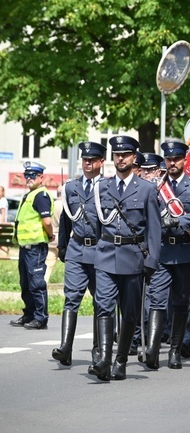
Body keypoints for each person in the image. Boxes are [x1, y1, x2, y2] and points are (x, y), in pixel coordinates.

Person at [88, 135, 161, 381]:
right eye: (117, 154)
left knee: (129, 313)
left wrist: (152, 261)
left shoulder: (147, 189)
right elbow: (98, 225)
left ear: (133, 158)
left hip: (133, 258)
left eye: (125, 154)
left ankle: (121, 360)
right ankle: (104, 361)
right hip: (107, 256)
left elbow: (154, 229)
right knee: (104, 307)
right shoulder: (102, 187)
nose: (120, 158)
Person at [142, 140, 190, 370]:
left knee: (181, 303)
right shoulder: (156, 186)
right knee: (157, 300)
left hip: (185, 251)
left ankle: (175, 351)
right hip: (162, 251)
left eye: (176, 159)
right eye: (168, 160)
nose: (172, 163)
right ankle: (152, 349)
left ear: (184, 160)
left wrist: (181, 220)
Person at [53, 141, 105, 367]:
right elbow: (66, 219)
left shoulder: (107, 187)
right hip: (76, 248)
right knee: (71, 297)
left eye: (92, 160)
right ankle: (65, 347)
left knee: (101, 301)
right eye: (85, 159)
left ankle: (97, 349)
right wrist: (62, 248)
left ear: (101, 162)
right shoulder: (71, 188)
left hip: (100, 249)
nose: (87, 163)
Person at [10, 161, 55, 330]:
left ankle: (41, 318)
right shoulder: (29, 194)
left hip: (35, 248)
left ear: (41, 177)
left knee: (36, 284)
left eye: (32, 175)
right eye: (26, 175)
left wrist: (50, 235)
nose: (28, 178)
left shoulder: (40, 196)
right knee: (25, 284)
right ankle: (29, 314)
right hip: (25, 247)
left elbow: (47, 221)